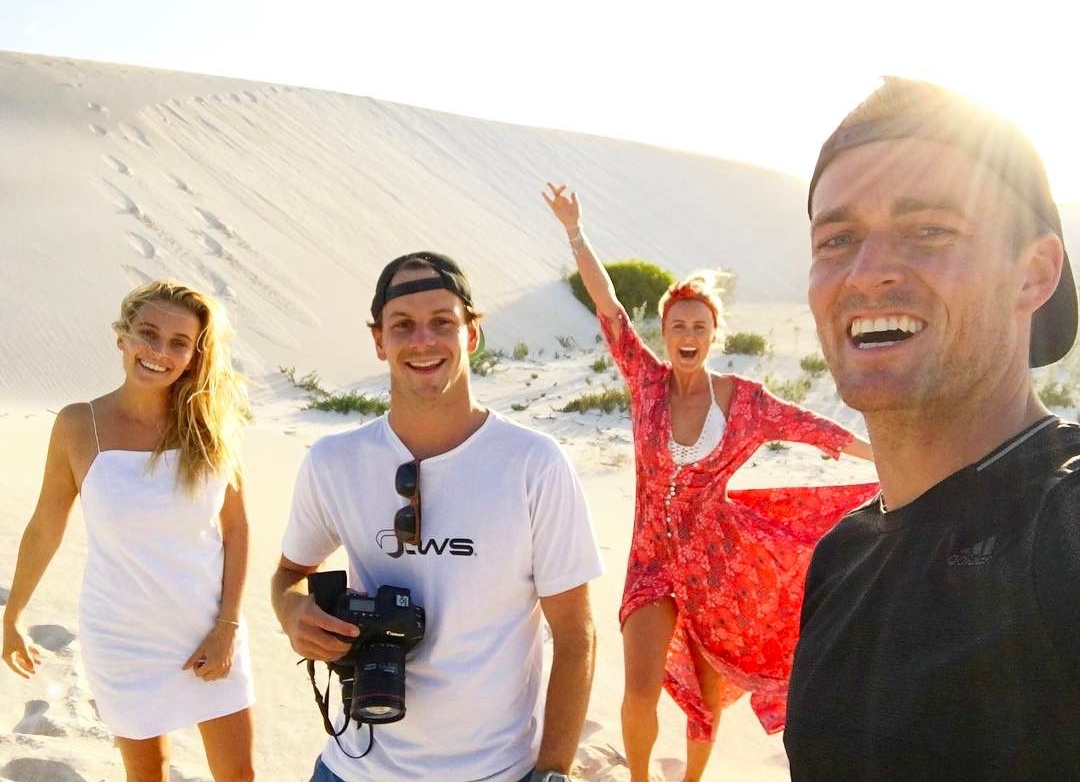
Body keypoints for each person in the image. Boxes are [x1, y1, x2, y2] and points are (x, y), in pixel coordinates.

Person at [785, 77, 1080, 780]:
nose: (868, 273)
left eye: (929, 231)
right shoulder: (841, 557)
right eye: (837, 239)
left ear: (1032, 274)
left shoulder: (1063, 527)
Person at [543, 184, 878, 782]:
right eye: (678, 325)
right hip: (650, 560)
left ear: (713, 334)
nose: (687, 334)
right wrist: (575, 231)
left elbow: (816, 429)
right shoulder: (646, 382)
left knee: (703, 699)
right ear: (665, 333)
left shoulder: (745, 402)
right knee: (640, 688)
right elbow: (610, 307)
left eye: (699, 325)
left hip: (718, 566)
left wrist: (886, 457)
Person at [271, 251, 604, 782]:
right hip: (353, 768)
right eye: (403, 325)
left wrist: (553, 772)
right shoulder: (334, 461)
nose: (423, 341)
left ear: (472, 334)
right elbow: (289, 573)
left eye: (442, 322)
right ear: (379, 341)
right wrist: (292, 612)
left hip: (496, 771)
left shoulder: (533, 464)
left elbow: (576, 635)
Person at [2, 280, 255, 782]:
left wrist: (227, 626)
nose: (159, 352)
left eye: (179, 343)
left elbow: (237, 530)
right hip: (122, 639)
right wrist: (13, 615)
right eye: (148, 334)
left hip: (210, 626)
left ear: (193, 357)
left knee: (239, 775)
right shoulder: (78, 425)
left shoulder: (212, 425)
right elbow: (45, 527)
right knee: (147, 776)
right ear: (123, 337)